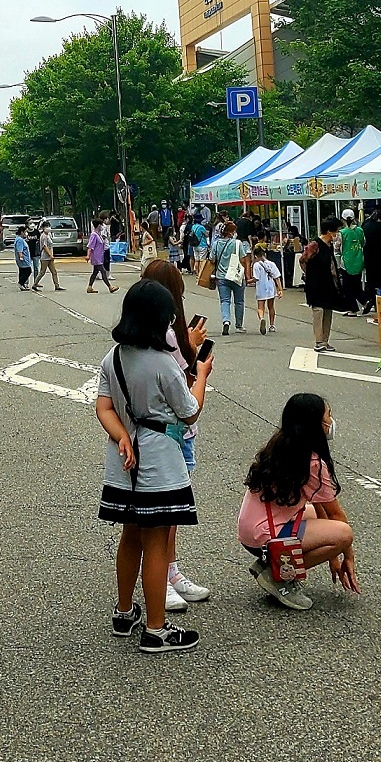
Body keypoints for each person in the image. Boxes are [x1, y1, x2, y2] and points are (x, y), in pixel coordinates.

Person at [97, 280, 212, 655]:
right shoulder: (163, 362)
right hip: (158, 461)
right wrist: (203, 377)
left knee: (130, 536)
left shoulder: (113, 357)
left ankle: (125, 611)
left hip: (122, 459)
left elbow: (104, 407)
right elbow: (188, 410)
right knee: (157, 542)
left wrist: (122, 436)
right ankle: (157, 629)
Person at [238, 393, 357, 611]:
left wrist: (332, 556)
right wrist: (346, 555)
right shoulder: (311, 462)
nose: (331, 422)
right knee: (344, 533)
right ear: (315, 424)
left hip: (251, 531)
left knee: (313, 513)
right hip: (266, 536)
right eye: (328, 416)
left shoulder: (280, 445)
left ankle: (272, 564)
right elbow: (336, 516)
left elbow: (319, 506)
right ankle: (279, 576)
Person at [140, 258, 211, 610]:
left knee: (171, 514)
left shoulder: (163, 332)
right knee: (165, 516)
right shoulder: (166, 336)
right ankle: (162, 580)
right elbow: (184, 395)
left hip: (176, 433)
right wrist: (196, 357)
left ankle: (172, 573)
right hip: (171, 432)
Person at [302, 218, 345, 353]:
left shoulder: (329, 245)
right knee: (318, 311)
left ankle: (325, 341)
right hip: (315, 284)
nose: (337, 234)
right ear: (329, 231)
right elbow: (303, 260)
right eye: (336, 231)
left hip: (328, 284)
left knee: (328, 311)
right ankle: (318, 341)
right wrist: (310, 274)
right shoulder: (315, 244)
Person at [209, 220, 245, 336]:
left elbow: (212, 259)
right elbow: (243, 259)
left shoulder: (216, 244)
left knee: (225, 301)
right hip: (236, 276)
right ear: (231, 233)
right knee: (239, 301)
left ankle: (226, 321)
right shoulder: (237, 243)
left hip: (221, 276)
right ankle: (239, 325)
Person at [338, 210, 367, 317]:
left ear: (343, 219)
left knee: (347, 287)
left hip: (346, 262)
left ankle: (353, 309)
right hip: (359, 260)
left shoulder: (342, 233)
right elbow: (363, 242)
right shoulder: (360, 230)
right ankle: (365, 301)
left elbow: (337, 247)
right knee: (356, 285)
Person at [252, 241, 282, 335]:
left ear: (256, 256)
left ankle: (262, 318)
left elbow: (255, 278)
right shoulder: (272, 264)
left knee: (261, 307)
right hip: (271, 287)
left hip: (261, 287)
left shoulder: (256, 265)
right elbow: (277, 277)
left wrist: (248, 281)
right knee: (271, 306)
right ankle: (272, 325)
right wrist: (280, 289)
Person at [30, 224, 63, 291]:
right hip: (45, 257)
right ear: (43, 228)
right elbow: (45, 246)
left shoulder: (48, 235)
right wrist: (50, 255)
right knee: (42, 272)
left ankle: (57, 286)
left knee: (54, 272)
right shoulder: (43, 236)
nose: (48, 228)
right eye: (46, 227)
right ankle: (35, 284)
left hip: (50, 257)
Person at [86, 219, 115, 293]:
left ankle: (89, 287)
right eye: (101, 224)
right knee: (103, 271)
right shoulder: (94, 235)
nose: (102, 226)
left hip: (100, 256)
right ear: (98, 225)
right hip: (96, 257)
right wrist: (88, 256)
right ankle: (110, 287)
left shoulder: (99, 235)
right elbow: (90, 246)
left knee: (95, 272)